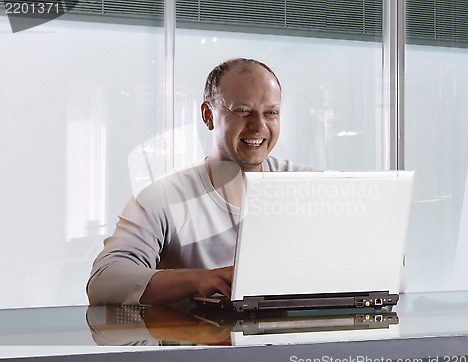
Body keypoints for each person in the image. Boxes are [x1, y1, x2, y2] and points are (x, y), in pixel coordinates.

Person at [87, 58, 314, 305]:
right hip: (197, 341)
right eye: (242, 111)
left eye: (271, 113)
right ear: (208, 116)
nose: (259, 125)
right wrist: (201, 280)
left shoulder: (310, 186)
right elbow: (104, 281)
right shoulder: (161, 197)